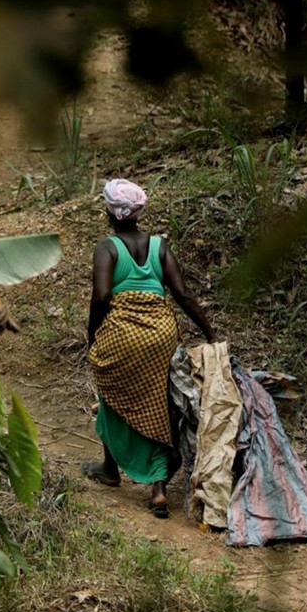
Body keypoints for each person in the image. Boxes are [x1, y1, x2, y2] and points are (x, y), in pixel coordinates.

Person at [82, 179, 217, 518]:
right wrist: (210, 332)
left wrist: (92, 334)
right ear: (138, 211)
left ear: (109, 212)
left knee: (111, 395)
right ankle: (158, 489)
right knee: (160, 404)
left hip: (122, 332)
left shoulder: (107, 248)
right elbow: (183, 295)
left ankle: (111, 469)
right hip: (160, 334)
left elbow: (101, 297)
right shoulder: (160, 247)